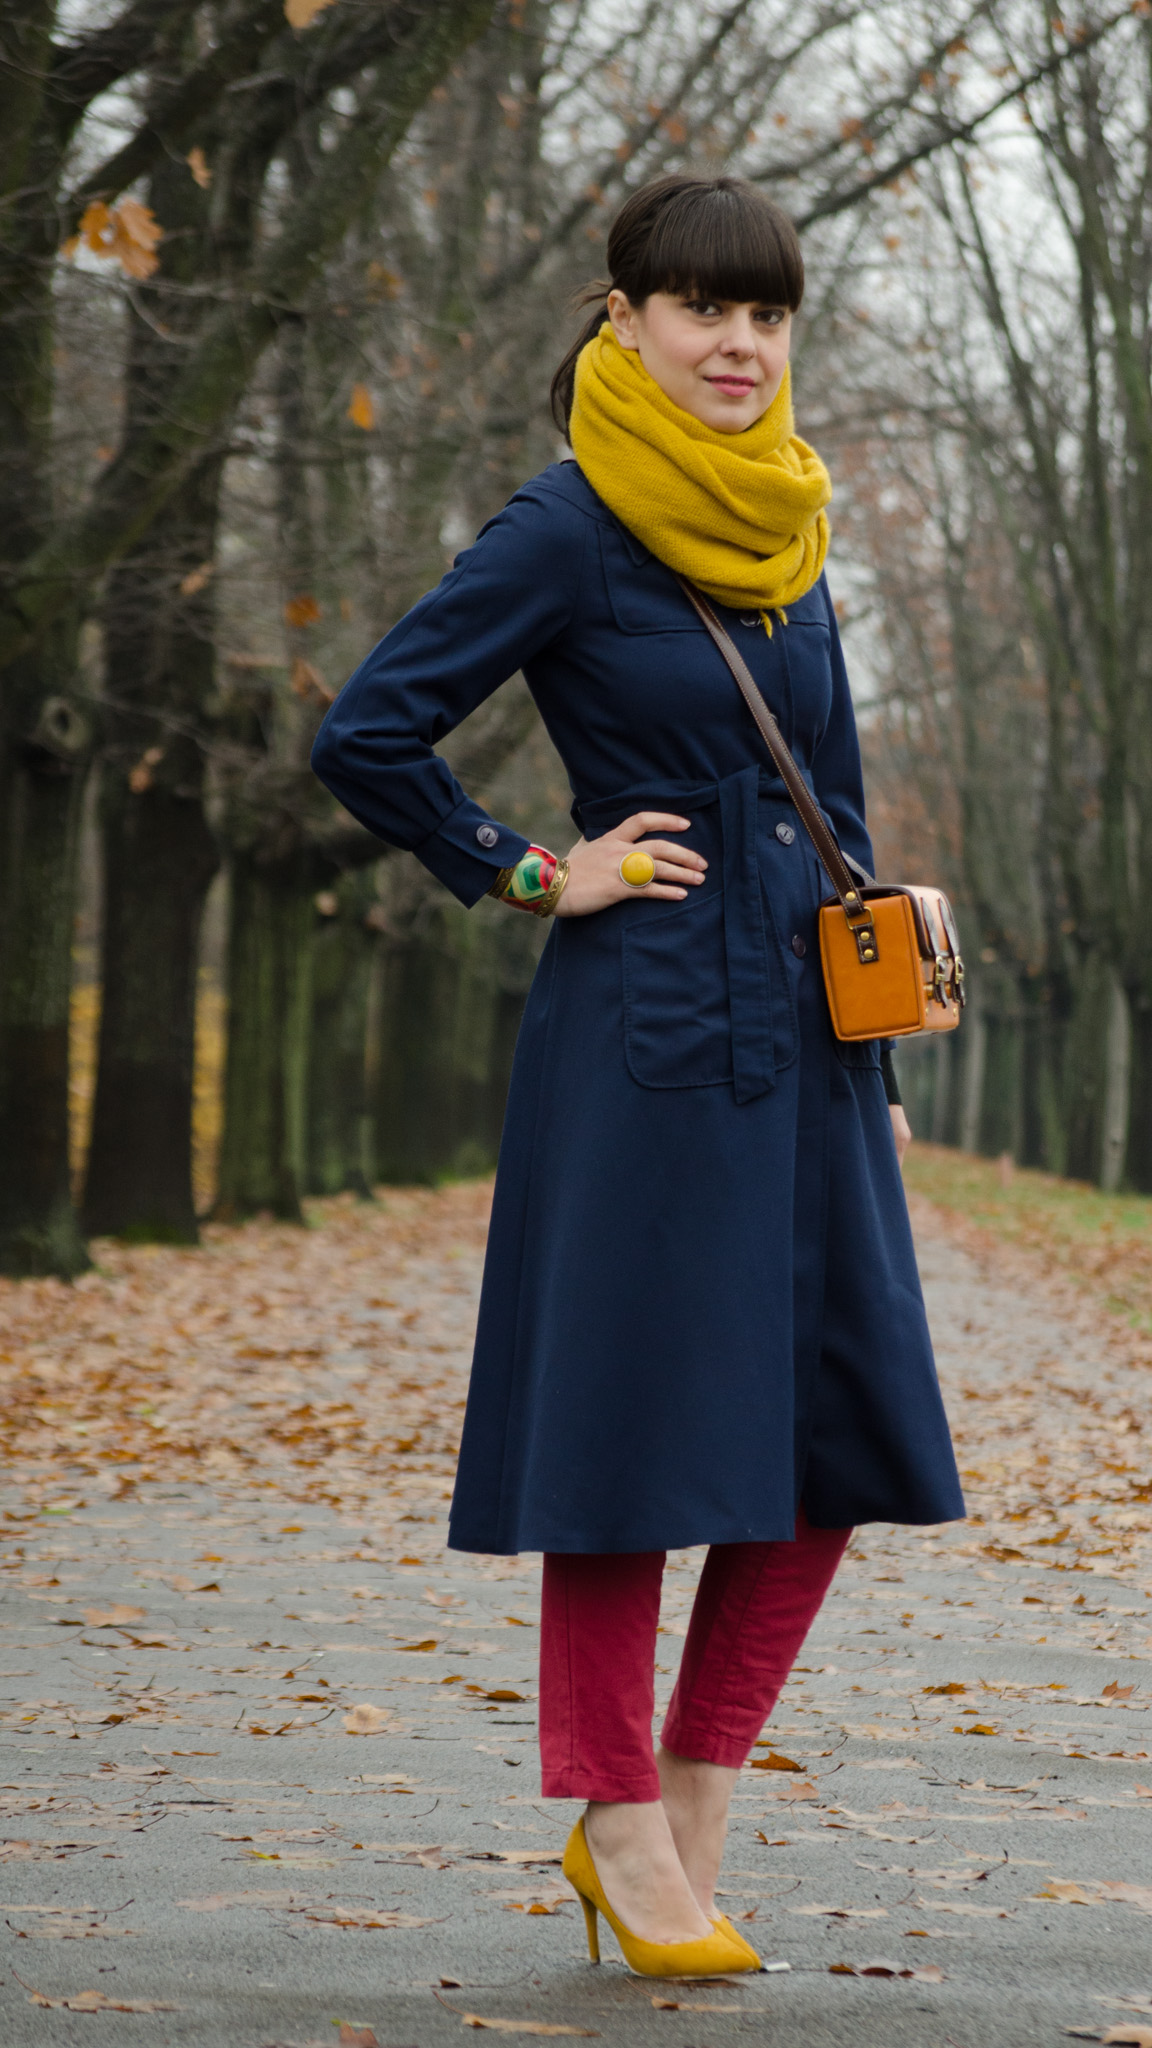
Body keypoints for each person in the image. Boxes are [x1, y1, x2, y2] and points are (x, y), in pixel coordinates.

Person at [311, 172, 964, 1978]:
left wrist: (877, 1012)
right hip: (648, 1034)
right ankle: (608, 1810)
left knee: (836, 1437)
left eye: (765, 315)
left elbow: (829, 793)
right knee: (627, 1439)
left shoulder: (798, 528)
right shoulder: (568, 524)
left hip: (810, 1047)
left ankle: (696, 1783)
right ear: (623, 320)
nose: (738, 344)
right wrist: (535, 869)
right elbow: (366, 732)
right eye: (700, 308)